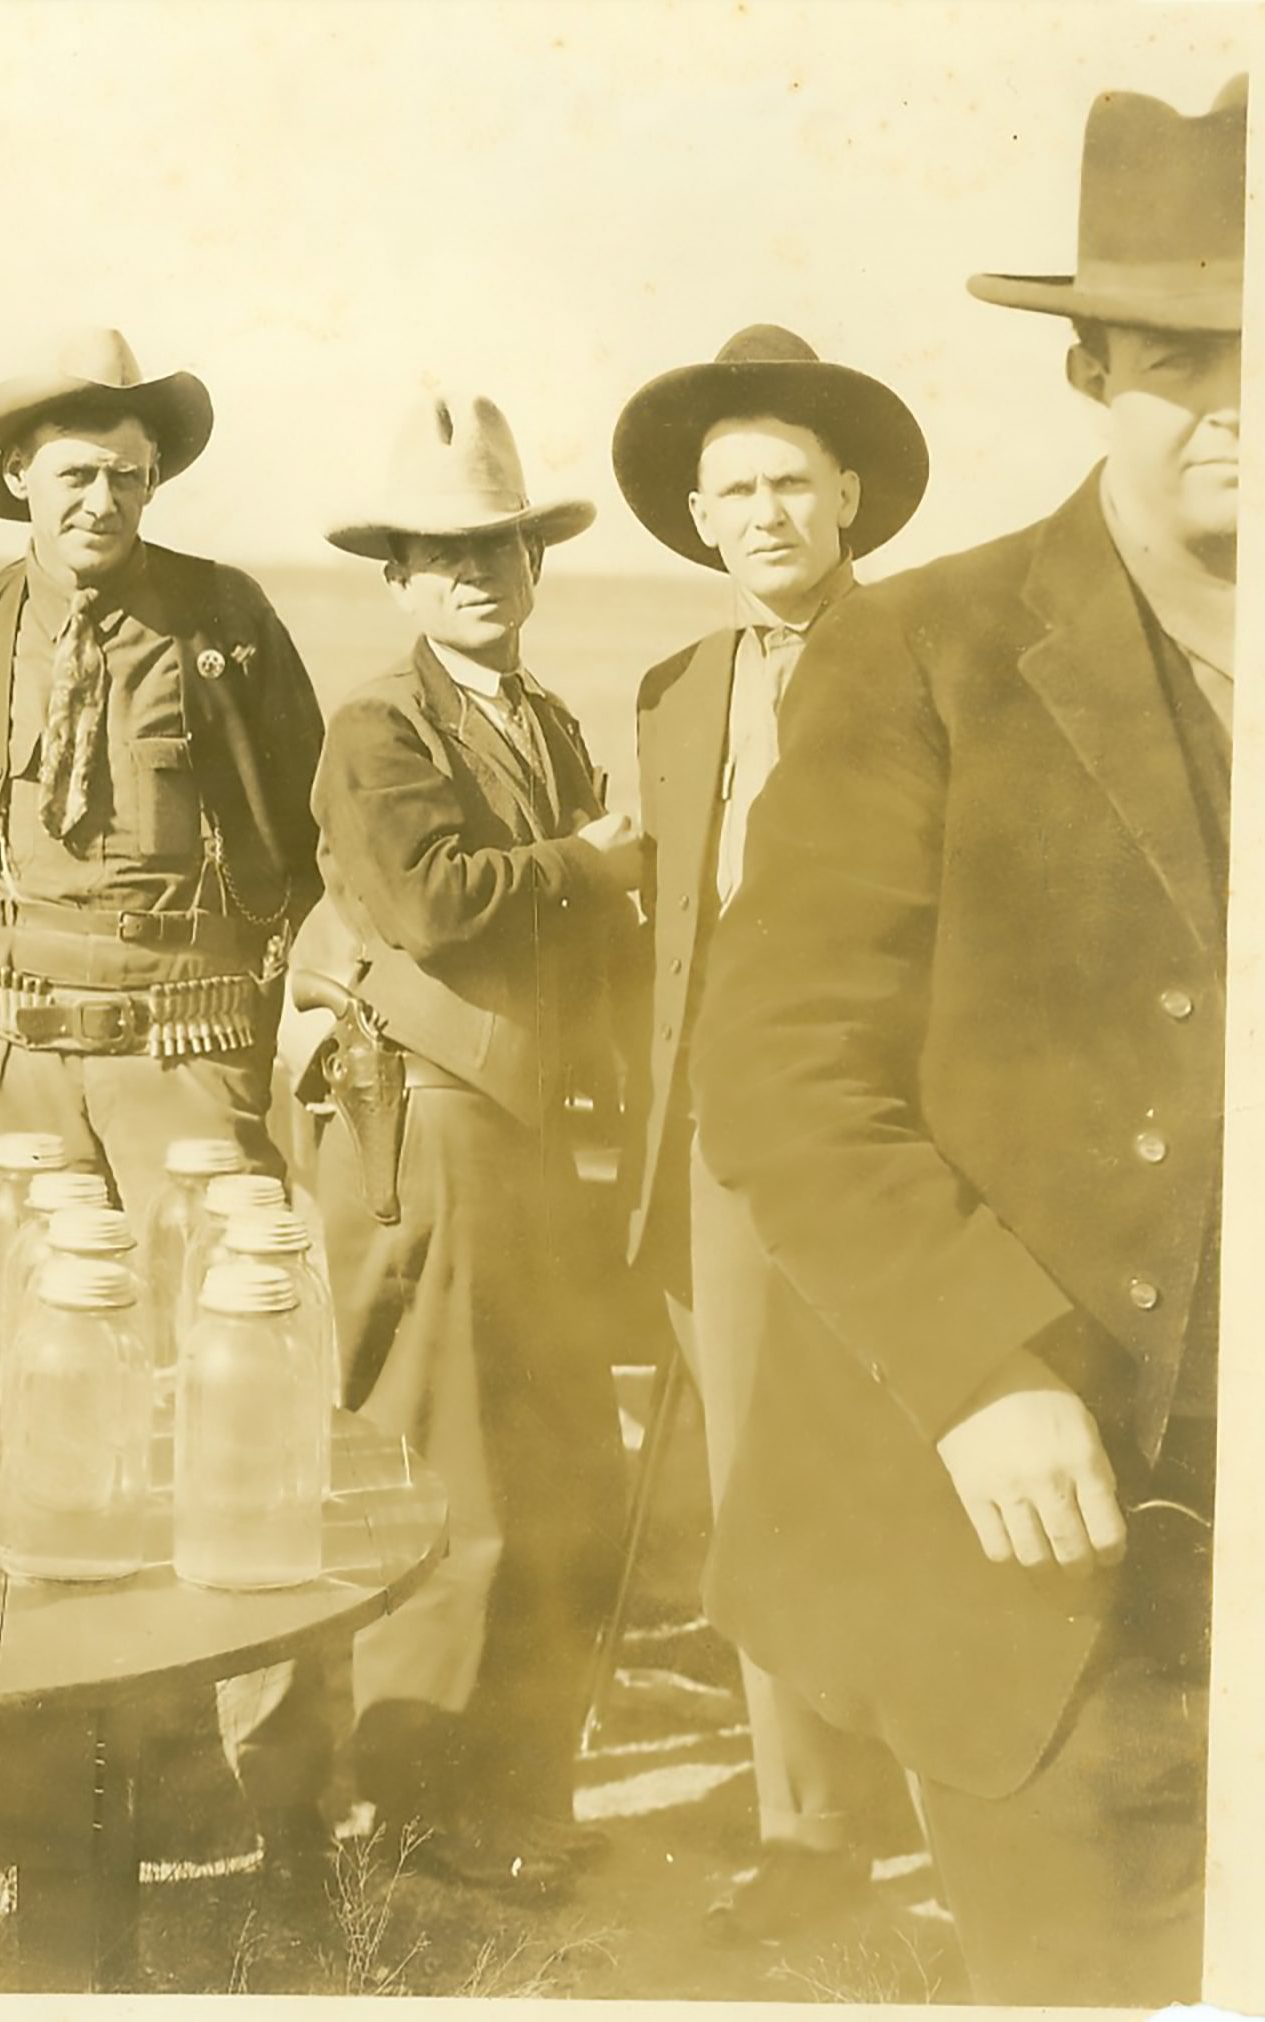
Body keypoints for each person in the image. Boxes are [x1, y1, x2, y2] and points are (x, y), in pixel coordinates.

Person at [690, 78, 1239, 2004]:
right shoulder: (926, 648)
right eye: (1195, 352)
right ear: (1092, 365)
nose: (1249, 398)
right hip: (1040, 1552)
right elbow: (774, 1067)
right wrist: (978, 1370)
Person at [288, 390, 640, 1892]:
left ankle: (514, 1797)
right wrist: (600, 863)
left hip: (534, 1128)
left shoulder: (541, 720)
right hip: (432, 1125)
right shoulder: (379, 724)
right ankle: (418, 1815)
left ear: (534, 562)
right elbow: (431, 903)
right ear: (398, 580)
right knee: (457, 1482)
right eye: (440, 555)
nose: (475, 575)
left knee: (563, 1475)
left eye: (496, 547)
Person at [608, 325, 929, 1940]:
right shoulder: (675, 692)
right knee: (755, 1482)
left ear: (851, 496)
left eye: (792, 481)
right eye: (732, 489)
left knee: (924, 1466)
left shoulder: (937, 658)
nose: (763, 512)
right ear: (698, 516)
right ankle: (809, 1834)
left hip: (894, 1143)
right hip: (719, 1153)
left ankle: (962, 1805)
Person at [0, 327, 324, 1234]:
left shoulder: (226, 615)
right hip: (13, 1057)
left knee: (209, 1320)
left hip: (181, 1053)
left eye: (126, 477)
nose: (103, 503)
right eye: (76, 476)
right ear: (20, 473)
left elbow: (308, 831)